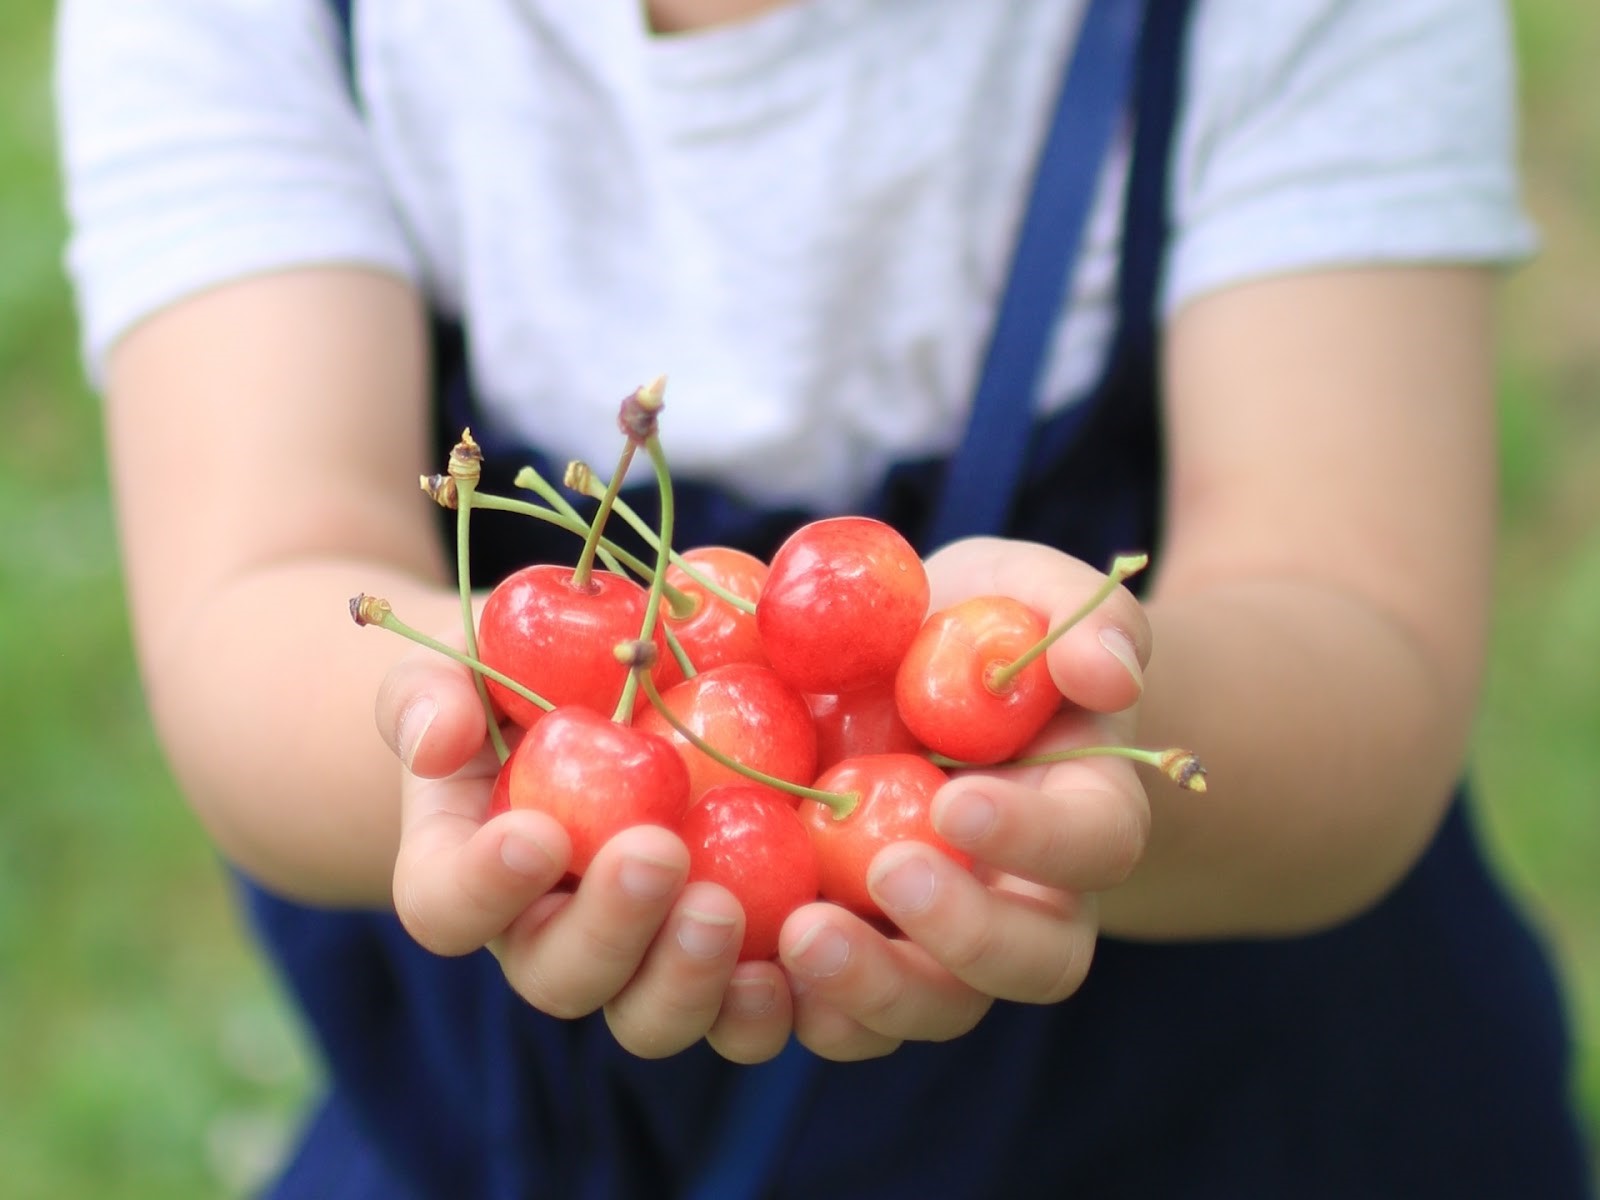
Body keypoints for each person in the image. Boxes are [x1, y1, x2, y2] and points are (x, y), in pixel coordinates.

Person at [55, 0, 1596, 1195]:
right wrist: (495, 745)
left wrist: (1084, 738)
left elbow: (1358, 639)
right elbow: (259, 595)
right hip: (525, 1140)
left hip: (1235, 1115)